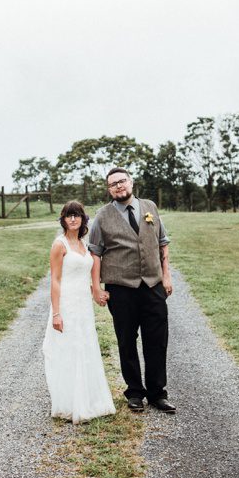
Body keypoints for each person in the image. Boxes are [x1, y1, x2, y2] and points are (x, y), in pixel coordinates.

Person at [87, 167, 175, 414]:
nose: (118, 186)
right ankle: (135, 392)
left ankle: (158, 393)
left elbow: (162, 244)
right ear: (109, 189)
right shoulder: (102, 216)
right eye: (112, 184)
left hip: (152, 286)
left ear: (131, 182)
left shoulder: (150, 207)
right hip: (121, 289)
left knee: (157, 341)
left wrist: (166, 276)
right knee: (126, 341)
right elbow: (95, 253)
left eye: (122, 181)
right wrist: (95, 287)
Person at [42, 200, 117, 423]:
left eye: (77, 215)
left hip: (83, 305)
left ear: (83, 219)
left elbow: (90, 275)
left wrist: (98, 292)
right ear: (63, 219)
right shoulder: (59, 244)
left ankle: (90, 400)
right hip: (66, 303)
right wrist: (56, 313)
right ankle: (70, 402)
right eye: (68, 215)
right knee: (68, 349)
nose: (73, 219)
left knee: (85, 346)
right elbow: (55, 280)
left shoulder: (84, 245)